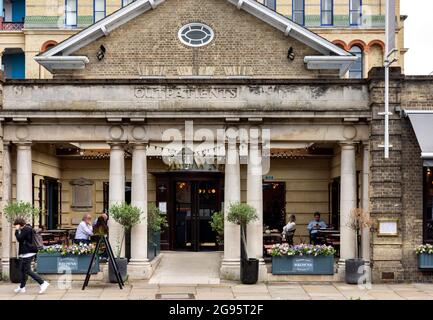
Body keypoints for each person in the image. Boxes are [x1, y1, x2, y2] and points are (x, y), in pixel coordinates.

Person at [14, 218, 50, 294]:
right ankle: (22, 287)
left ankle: (43, 283)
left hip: (29, 252)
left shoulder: (27, 229)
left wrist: (17, 231)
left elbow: (19, 239)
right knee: (23, 270)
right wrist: (18, 231)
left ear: (19, 224)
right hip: (25, 252)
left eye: (16, 225)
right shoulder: (23, 229)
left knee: (27, 270)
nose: (15, 227)